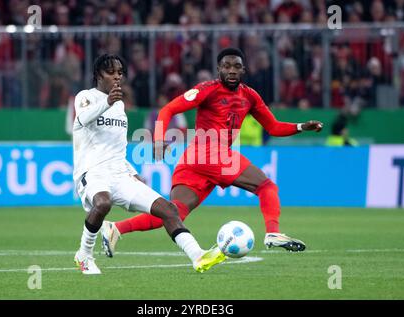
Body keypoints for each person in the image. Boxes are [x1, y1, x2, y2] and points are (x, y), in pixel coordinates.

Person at [102, 48, 323, 257]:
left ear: (243, 70)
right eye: (226, 66)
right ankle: (273, 232)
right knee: (266, 186)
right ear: (219, 70)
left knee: (173, 213)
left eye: (236, 66)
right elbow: (168, 109)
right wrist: (158, 138)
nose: (232, 70)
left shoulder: (250, 96)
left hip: (195, 160)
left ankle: (115, 229)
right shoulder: (207, 89)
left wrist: (301, 127)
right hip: (209, 152)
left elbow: (273, 127)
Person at [72, 54, 226, 275]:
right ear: (98, 75)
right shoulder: (86, 96)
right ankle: (84, 255)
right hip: (93, 172)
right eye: (111, 72)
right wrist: (106, 102)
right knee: (103, 204)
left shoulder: (119, 106)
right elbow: (83, 118)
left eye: (120, 73)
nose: (117, 77)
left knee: (169, 209)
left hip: (119, 174)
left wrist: (132, 173)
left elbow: (116, 148)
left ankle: (198, 256)